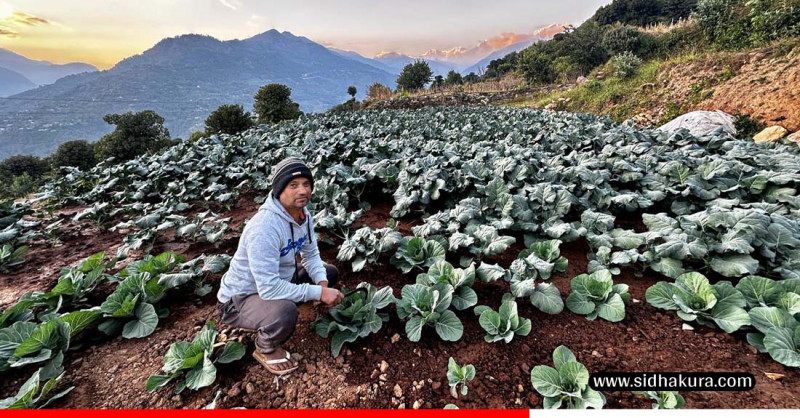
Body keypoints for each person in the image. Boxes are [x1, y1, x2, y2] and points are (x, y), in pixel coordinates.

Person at [216, 157, 344, 376]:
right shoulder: (264, 228)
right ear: (278, 190)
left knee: (329, 272)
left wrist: (321, 284)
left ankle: (292, 303)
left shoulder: (304, 216)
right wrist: (318, 293)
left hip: (280, 281)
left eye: (306, 184)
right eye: (293, 186)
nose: (302, 191)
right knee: (285, 311)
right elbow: (268, 288)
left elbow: (311, 255)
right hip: (240, 299)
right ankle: (265, 347)